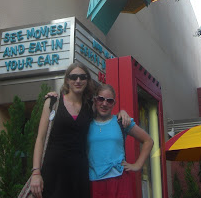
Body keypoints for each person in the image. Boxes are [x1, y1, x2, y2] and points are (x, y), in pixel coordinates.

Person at [30, 61, 94, 198]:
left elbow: (107, 115)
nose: (78, 80)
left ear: (87, 80)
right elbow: (40, 139)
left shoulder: (91, 107)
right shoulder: (53, 102)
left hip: (79, 175)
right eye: (73, 77)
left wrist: (122, 113)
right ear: (67, 80)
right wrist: (36, 173)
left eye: (83, 77)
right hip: (53, 172)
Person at [87, 84, 154, 198]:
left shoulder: (121, 122)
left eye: (109, 101)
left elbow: (148, 141)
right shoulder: (86, 123)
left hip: (120, 180)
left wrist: (137, 165)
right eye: (101, 99)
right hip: (94, 182)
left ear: (114, 103)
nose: (104, 103)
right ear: (95, 100)